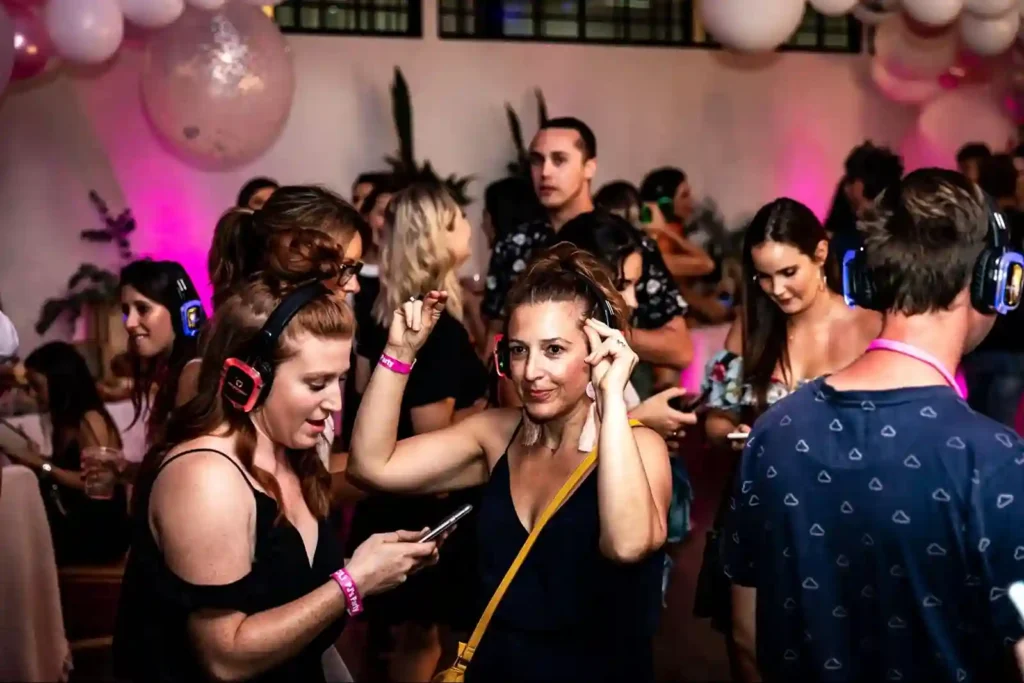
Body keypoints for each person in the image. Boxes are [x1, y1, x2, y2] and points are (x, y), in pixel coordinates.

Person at [723, 169, 1024, 682]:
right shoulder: (995, 463)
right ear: (993, 281)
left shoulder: (772, 433)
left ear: (864, 278)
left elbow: (746, 633)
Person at [113, 233, 441, 683]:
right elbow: (225, 658)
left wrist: (365, 566)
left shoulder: (291, 458)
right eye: (315, 383)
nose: (334, 403)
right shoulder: (207, 476)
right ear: (252, 377)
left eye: (339, 381)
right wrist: (353, 582)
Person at [349, 244, 669, 682]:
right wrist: (399, 354)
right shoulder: (497, 434)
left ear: (600, 349)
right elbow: (371, 466)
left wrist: (612, 395)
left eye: (554, 350)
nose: (531, 371)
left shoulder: (641, 447)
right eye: (519, 350)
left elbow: (627, 544)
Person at [347, 182, 487, 682]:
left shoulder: (393, 310)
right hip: (424, 507)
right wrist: (494, 417)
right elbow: (434, 437)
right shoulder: (433, 329)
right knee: (420, 640)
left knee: (400, 639)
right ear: (436, 236)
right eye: (458, 219)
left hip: (392, 499)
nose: (469, 226)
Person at [482, 117, 692, 374]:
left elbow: (680, 348)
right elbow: (495, 332)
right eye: (537, 160)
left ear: (589, 167)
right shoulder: (514, 244)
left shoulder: (628, 243)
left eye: (559, 159)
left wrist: (598, 328)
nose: (545, 171)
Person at [702, 198, 881, 451]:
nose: (776, 290)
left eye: (788, 273)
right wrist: (733, 434)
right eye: (764, 276)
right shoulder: (750, 325)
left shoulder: (870, 326)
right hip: (766, 480)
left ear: (820, 254)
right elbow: (718, 418)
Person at [4, 342, 129, 565]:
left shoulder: (90, 420)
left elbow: (95, 485)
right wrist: (36, 459)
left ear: (59, 383)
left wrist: (42, 465)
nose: (32, 394)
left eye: (36, 386)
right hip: (75, 519)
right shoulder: (62, 421)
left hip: (99, 531)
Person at [963, 154, 1024, 427]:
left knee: (973, 425)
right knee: (1002, 429)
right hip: (1015, 344)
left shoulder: (978, 230)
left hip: (980, 340)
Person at [120, 260, 207, 446]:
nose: (129, 323)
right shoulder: (174, 372)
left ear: (181, 311)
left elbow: (187, 467)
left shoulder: (193, 373)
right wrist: (124, 470)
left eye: (143, 309)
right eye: (126, 311)